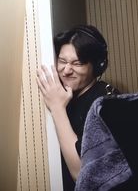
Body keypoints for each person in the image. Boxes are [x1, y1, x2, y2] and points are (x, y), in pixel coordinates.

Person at [36, 25, 119, 191]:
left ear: (97, 66)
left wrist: (57, 108)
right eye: (62, 61)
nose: (66, 70)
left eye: (77, 63)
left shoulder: (104, 103)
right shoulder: (69, 94)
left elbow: (82, 174)